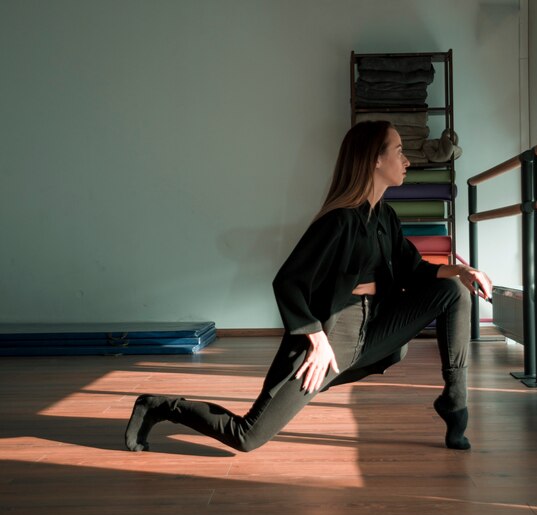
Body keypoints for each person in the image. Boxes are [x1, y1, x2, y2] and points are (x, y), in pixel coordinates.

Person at [125, 121, 492, 454]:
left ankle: (454, 400)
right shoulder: (339, 221)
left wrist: (463, 270)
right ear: (375, 160)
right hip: (332, 338)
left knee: (454, 291)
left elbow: (413, 270)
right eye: (398, 150)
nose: (407, 159)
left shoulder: (385, 216)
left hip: (376, 329)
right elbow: (287, 282)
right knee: (247, 436)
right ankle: (158, 406)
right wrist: (316, 341)